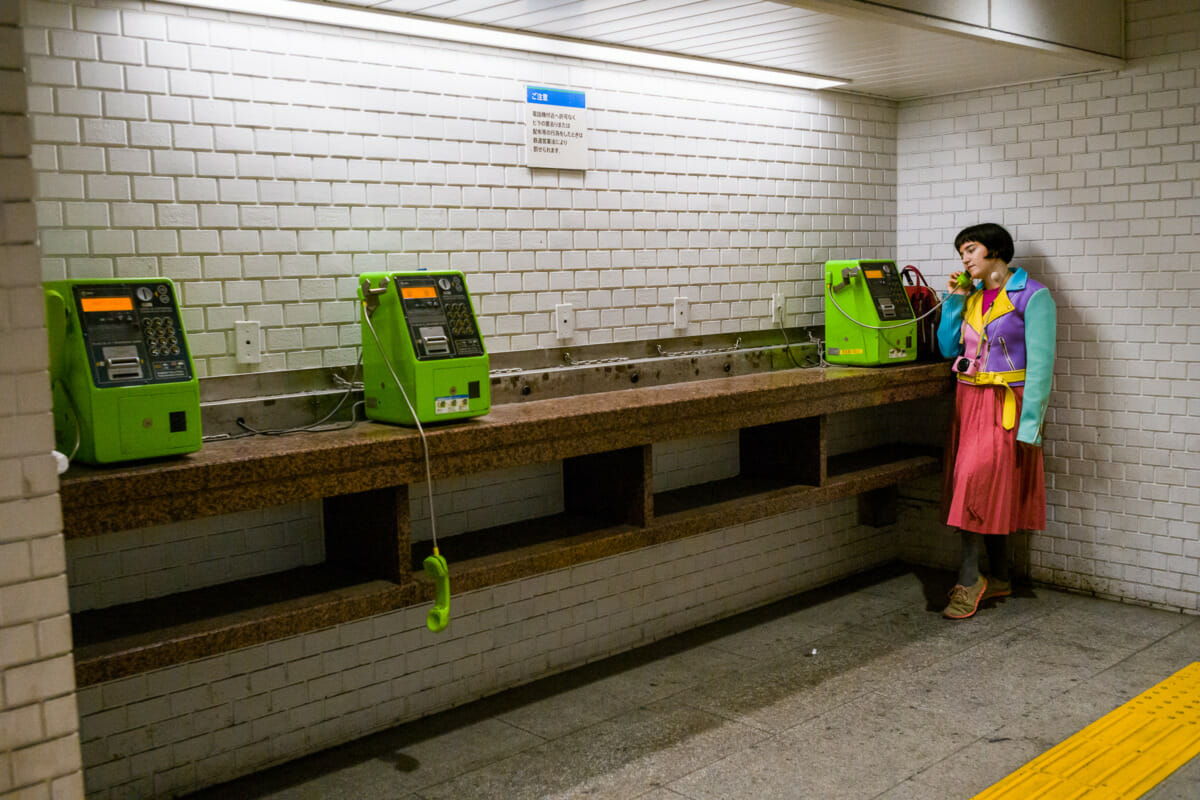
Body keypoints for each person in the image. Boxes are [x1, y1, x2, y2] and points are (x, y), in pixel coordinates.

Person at [936, 223, 1056, 619]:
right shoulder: (972, 298)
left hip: (1007, 404)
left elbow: (1041, 366)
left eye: (970, 250)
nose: (965, 259)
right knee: (978, 487)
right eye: (961, 254)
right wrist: (954, 300)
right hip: (968, 400)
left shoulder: (1033, 297)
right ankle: (1000, 575)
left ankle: (970, 578)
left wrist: (1031, 425)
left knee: (976, 482)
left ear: (996, 251)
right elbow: (946, 346)